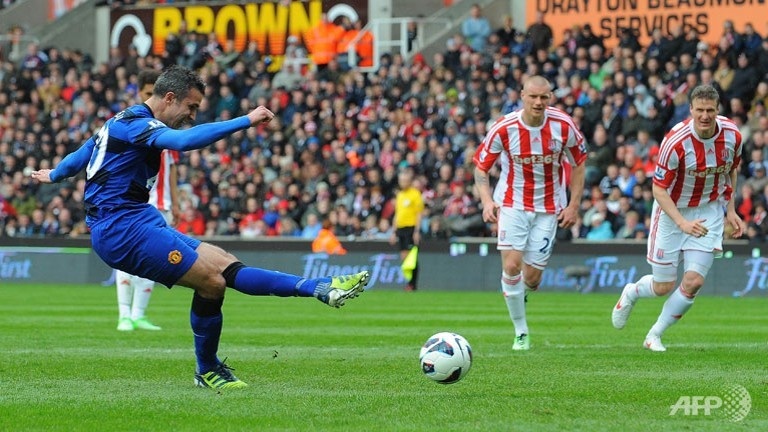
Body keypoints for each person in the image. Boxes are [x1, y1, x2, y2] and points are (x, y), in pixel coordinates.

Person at [31, 65, 370, 389]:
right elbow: (183, 142)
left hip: (138, 219)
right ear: (169, 98)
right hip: (119, 230)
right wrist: (246, 120)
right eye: (190, 106)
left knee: (223, 262)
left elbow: (79, 156)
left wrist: (54, 174)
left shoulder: (116, 123)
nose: (192, 115)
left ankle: (318, 288)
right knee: (211, 283)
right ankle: (206, 369)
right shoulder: (134, 125)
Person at [611, 84, 746, 352]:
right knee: (663, 286)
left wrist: (730, 210)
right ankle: (632, 292)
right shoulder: (675, 142)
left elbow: (731, 171)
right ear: (691, 110)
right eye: (699, 111)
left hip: (708, 210)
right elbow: (658, 188)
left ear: (718, 110)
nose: (705, 116)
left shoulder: (732, 135)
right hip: (673, 210)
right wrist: (682, 222)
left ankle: (654, 334)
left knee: (694, 281)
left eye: (710, 110)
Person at [473, 75, 587, 351]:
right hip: (512, 204)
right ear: (522, 96)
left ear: (550, 98)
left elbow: (579, 164)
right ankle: (521, 331)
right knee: (511, 265)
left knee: (532, 278)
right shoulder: (504, 128)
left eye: (544, 97)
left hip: (549, 208)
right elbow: (480, 168)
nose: (538, 102)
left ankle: (518, 296)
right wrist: (488, 202)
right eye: (533, 96)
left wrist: (573, 206)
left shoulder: (564, 126)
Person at [114, 69, 178, 332]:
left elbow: (171, 169)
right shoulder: (132, 126)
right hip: (136, 203)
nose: (154, 98)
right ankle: (124, 315)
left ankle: (139, 314)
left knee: (153, 259)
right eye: (149, 93)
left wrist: (175, 202)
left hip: (162, 205)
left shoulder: (165, 129)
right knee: (128, 259)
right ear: (140, 93)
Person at [389, 168, 424, 291]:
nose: (403, 183)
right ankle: (409, 282)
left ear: (409, 181)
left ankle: (413, 284)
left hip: (411, 228)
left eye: (405, 181)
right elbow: (397, 214)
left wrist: (416, 231)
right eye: (401, 181)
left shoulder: (415, 194)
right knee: (404, 257)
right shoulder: (400, 195)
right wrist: (393, 231)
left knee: (411, 258)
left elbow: (419, 214)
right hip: (401, 228)